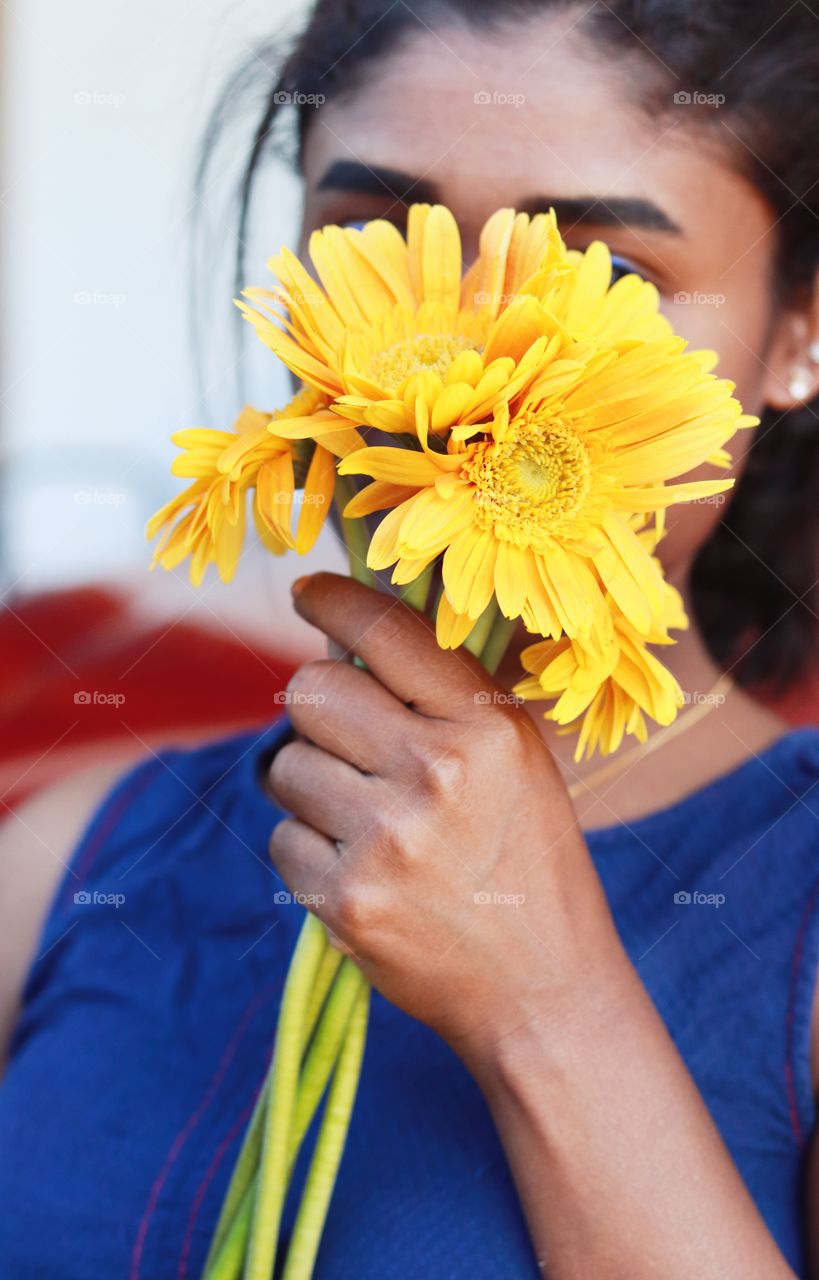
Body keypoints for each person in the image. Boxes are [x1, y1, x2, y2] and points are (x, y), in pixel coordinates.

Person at [2, 1, 819, 1275]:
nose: (471, 376)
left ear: (794, 334)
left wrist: (545, 1003)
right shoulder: (73, 853)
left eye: (604, 278)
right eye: (377, 249)